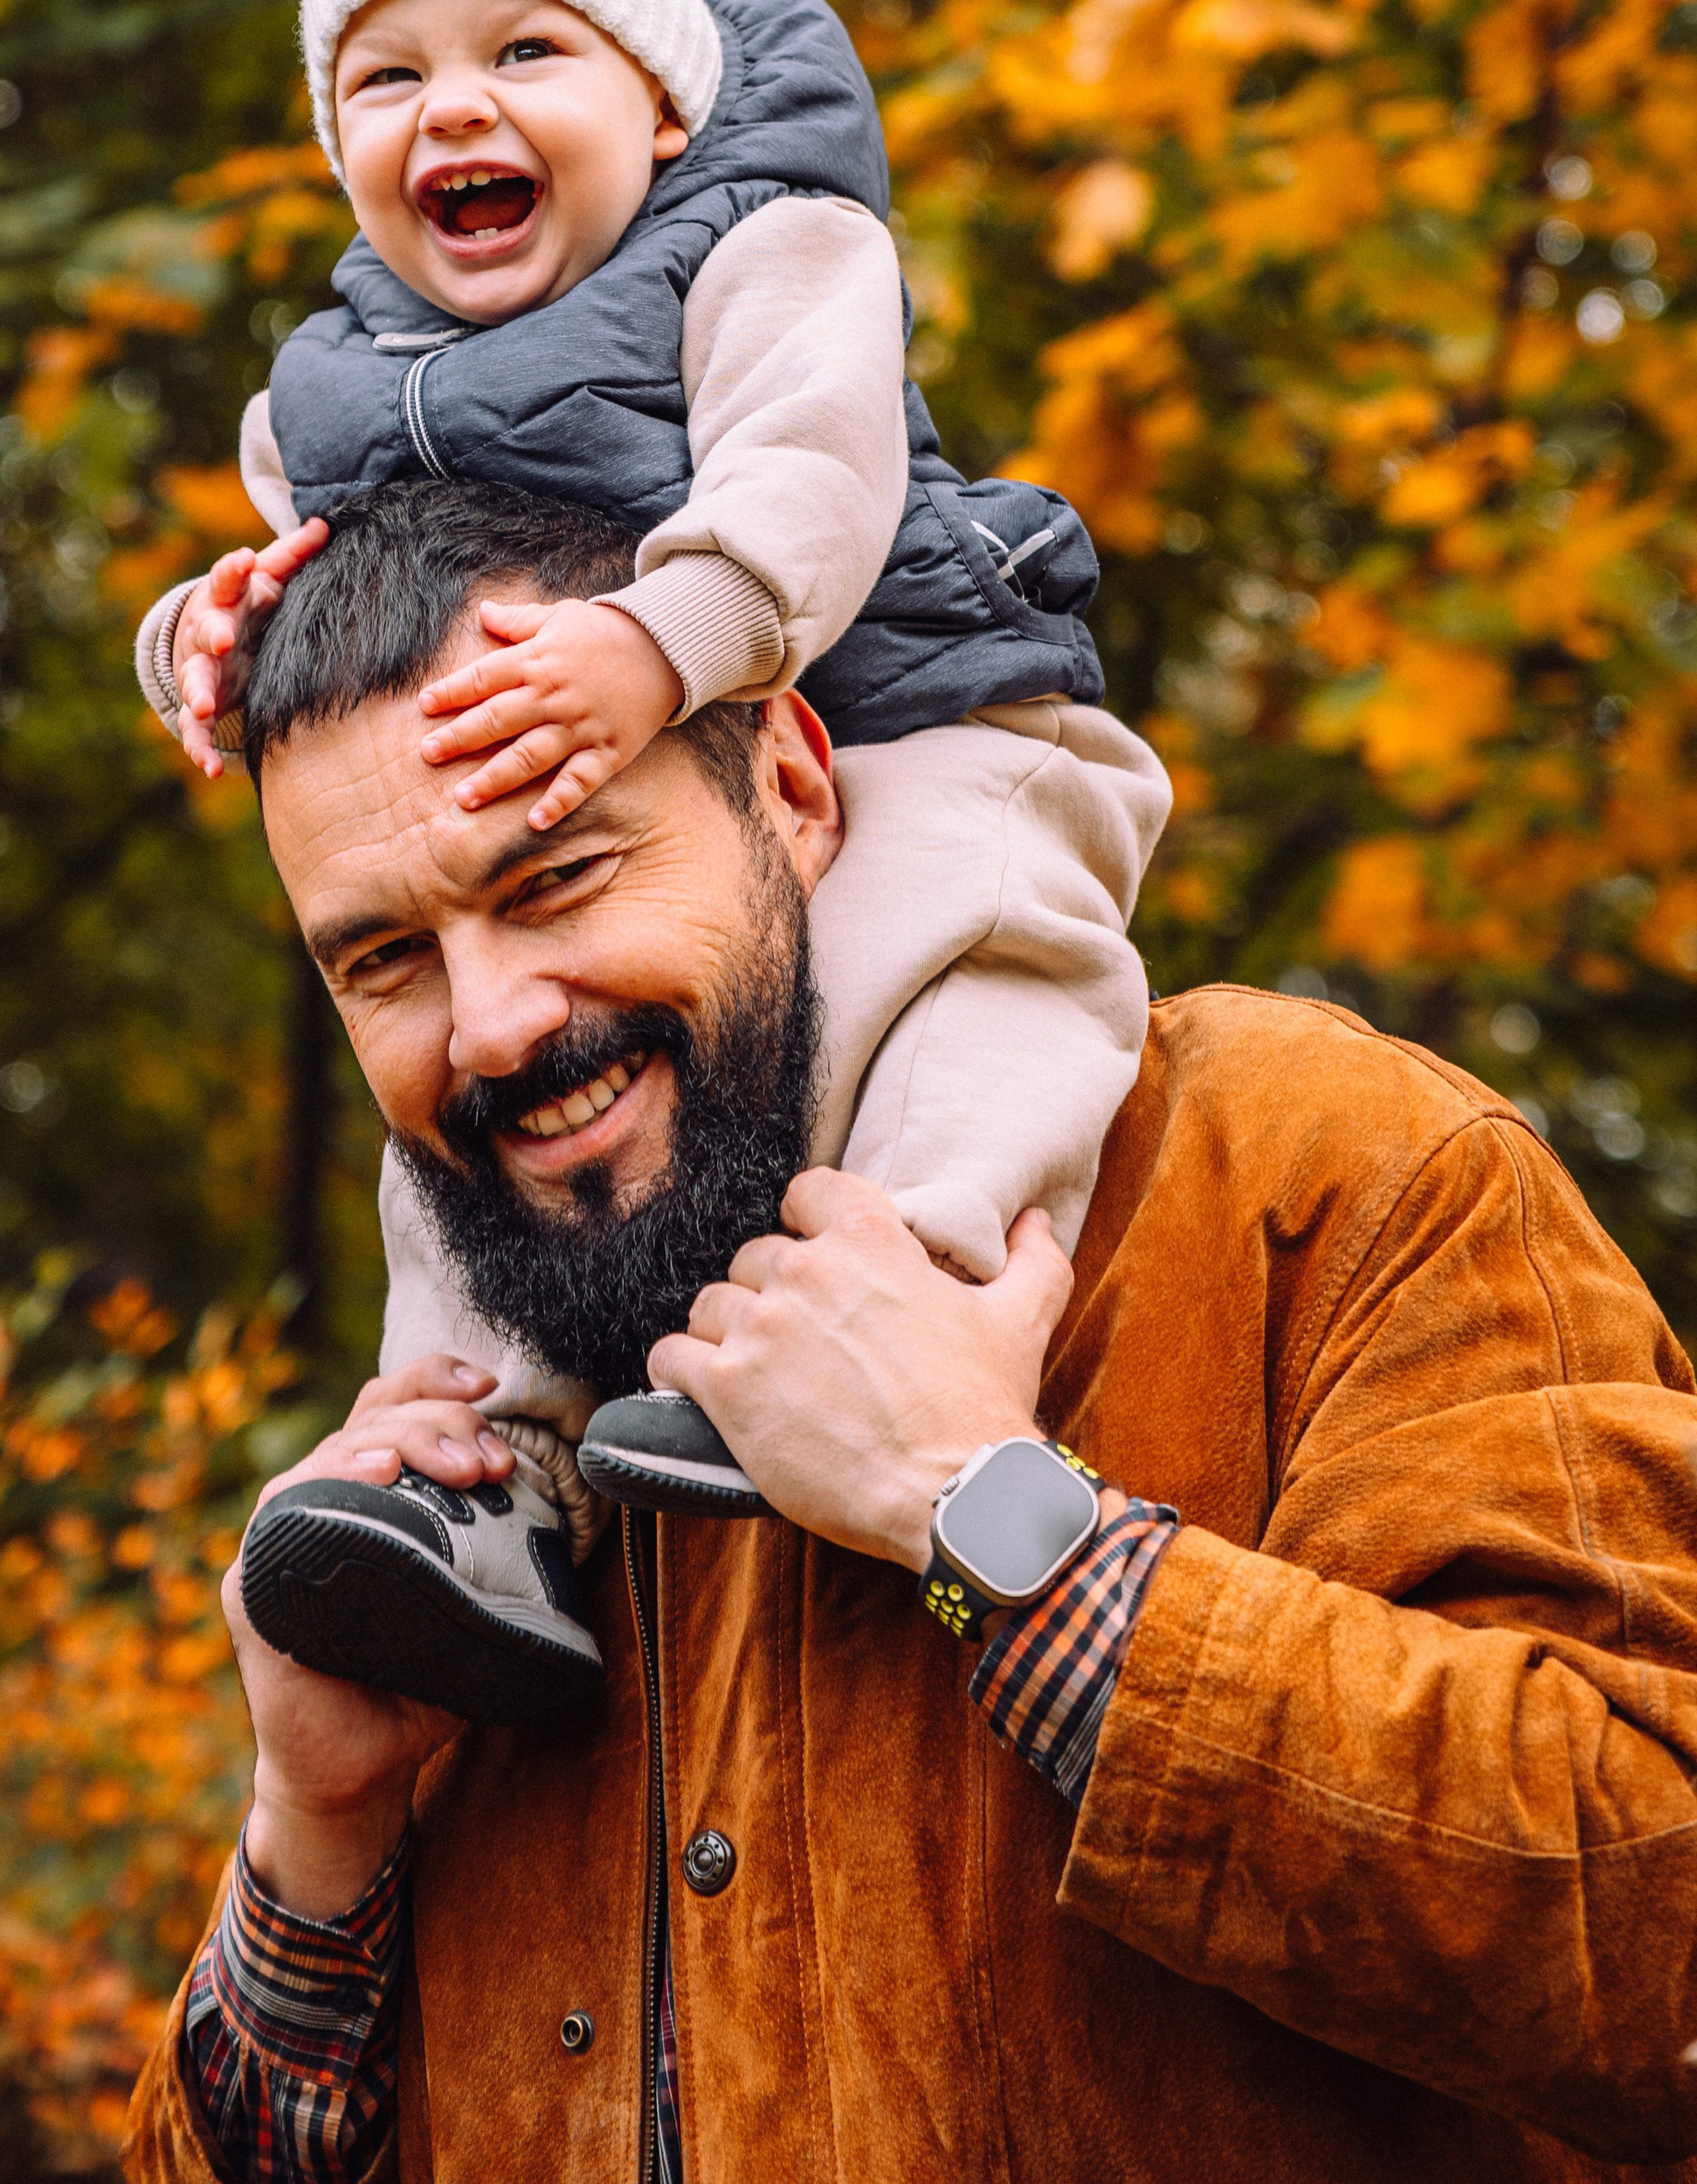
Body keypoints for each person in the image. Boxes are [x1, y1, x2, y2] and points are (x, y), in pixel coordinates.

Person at [124, 481, 1697, 2184]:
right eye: (384, 959)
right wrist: (318, 1832)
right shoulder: (456, 1535)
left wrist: (997, 1523)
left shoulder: (1312, 1167)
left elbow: (1659, 1945)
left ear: (792, 787)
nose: (492, 1024)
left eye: (560, 872)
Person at [135, 0, 1169, 1713]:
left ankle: (911, 1283)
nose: (453, 109)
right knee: (447, 1126)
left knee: (965, 960)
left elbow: (813, 477)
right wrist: (205, 630)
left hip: (917, 699)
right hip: (662, 746)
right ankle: (483, 1475)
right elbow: (293, 563)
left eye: (525, 51)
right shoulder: (343, 372)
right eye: (387, 75)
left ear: (662, 105)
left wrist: (656, 643)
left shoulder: (764, 241)